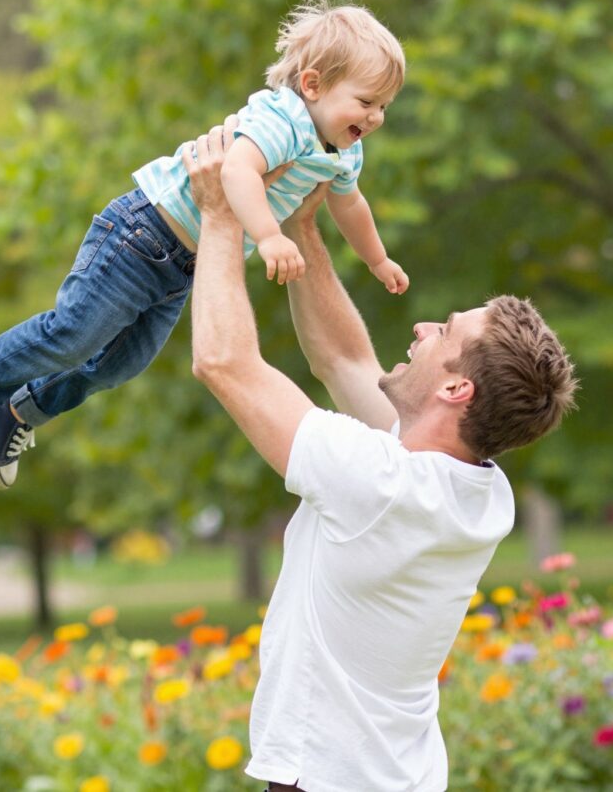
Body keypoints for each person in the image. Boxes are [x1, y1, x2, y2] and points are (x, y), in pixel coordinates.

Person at [184, 118, 577, 792]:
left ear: (456, 388)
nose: (422, 327)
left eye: (444, 332)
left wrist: (220, 216)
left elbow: (223, 362)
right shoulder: (481, 492)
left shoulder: (379, 483)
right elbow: (344, 359)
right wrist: (305, 227)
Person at [0, 0, 406, 489]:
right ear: (313, 85)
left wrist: (377, 259)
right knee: (74, 334)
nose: (376, 118)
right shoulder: (285, 120)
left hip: (184, 265)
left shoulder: (345, 151)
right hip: (142, 234)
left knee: (120, 364)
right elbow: (237, 171)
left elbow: (350, 205)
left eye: (384, 106)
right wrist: (270, 236)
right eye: (366, 102)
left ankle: (21, 411)